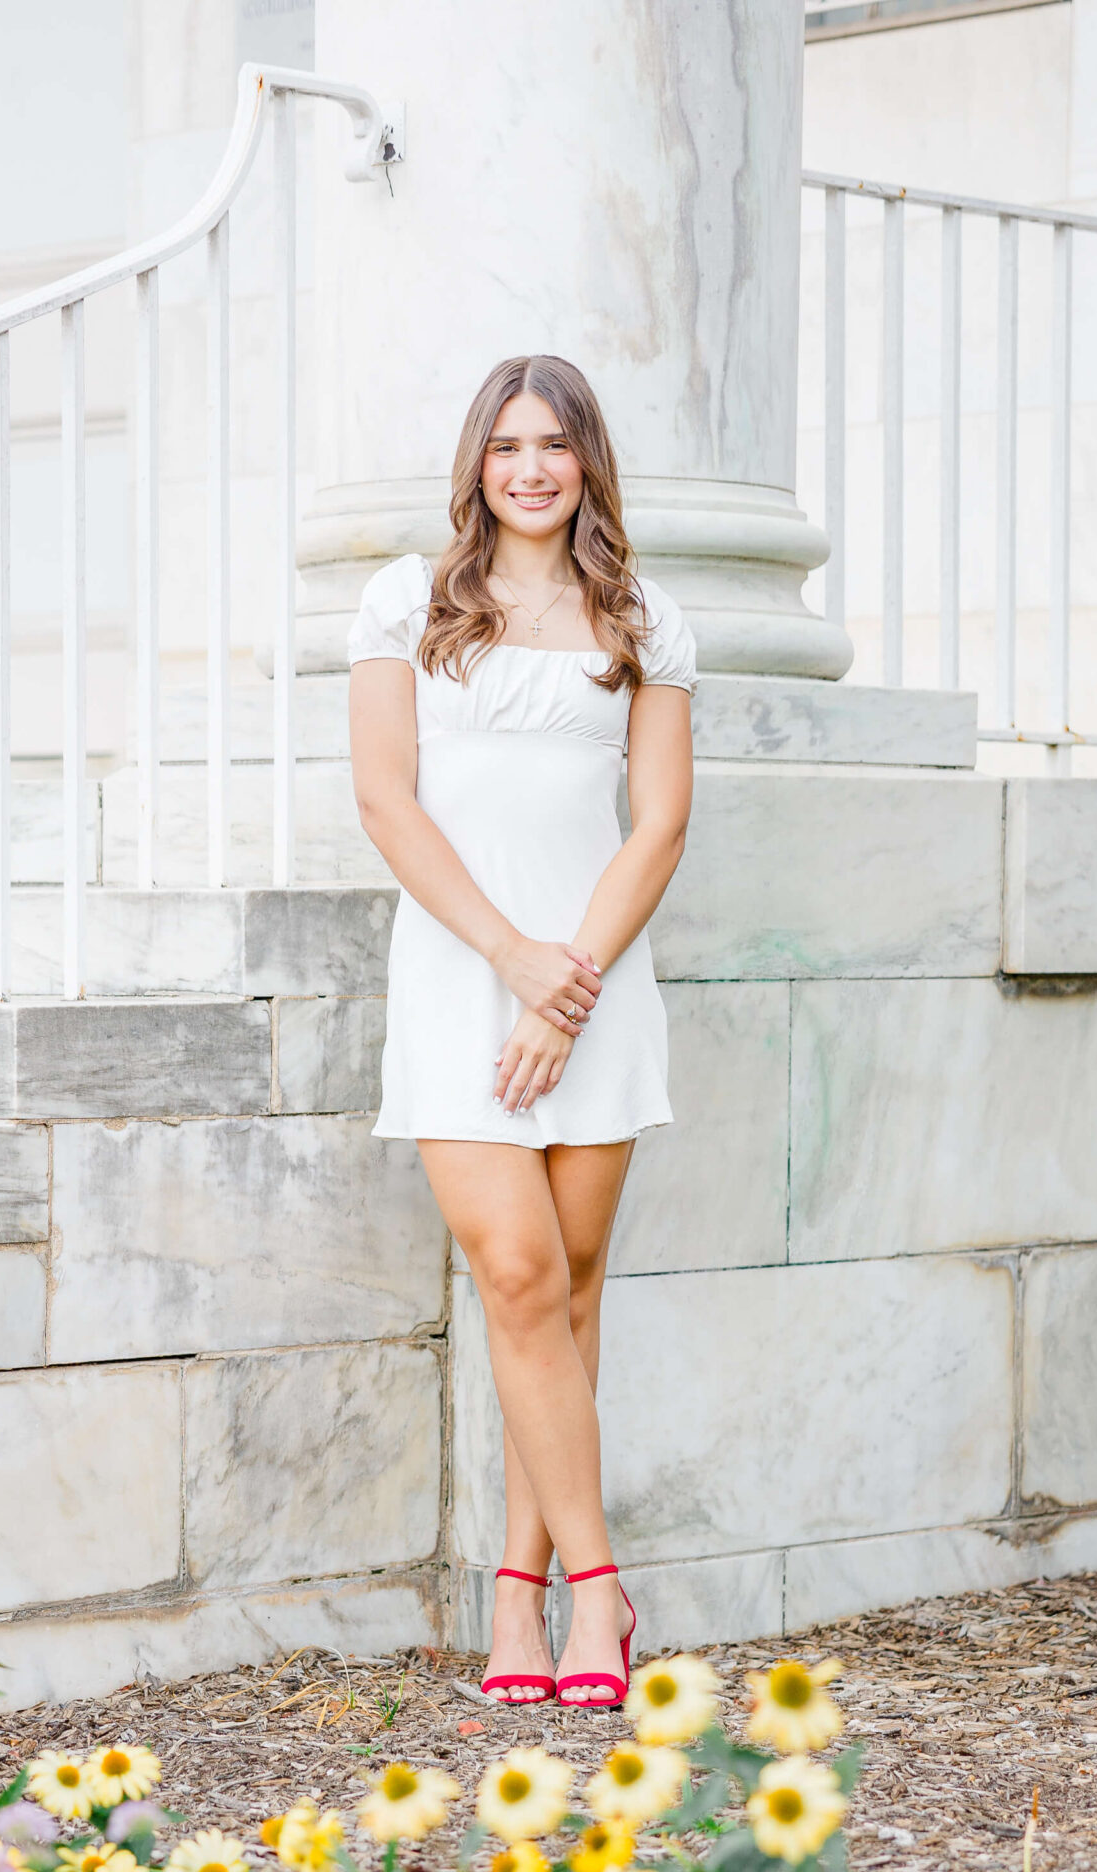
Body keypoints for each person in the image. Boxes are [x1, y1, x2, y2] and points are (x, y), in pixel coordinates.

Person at [347, 353, 696, 1709]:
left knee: (573, 1283)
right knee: (516, 1274)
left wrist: (575, 979)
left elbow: (658, 820)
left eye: (555, 444)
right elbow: (387, 802)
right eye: (508, 446)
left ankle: (516, 1589)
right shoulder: (406, 603)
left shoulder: (644, 616)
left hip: (597, 985)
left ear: (587, 461)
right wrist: (512, 965)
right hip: (461, 980)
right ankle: (598, 1595)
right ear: (477, 464)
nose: (531, 468)